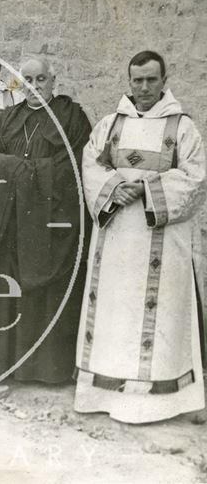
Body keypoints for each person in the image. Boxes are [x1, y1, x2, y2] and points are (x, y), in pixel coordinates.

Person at [75, 51, 206, 423]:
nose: (144, 87)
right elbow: (91, 163)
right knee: (116, 313)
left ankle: (159, 403)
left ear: (165, 80)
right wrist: (114, 186)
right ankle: (103, 395)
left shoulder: (182, 128)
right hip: (116, 238)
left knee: (160, 318)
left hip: (161, 243)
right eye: (137, 80)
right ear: (129, 81)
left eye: (151, 80)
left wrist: (146, 191)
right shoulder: (110, 124)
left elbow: (195, 178)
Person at [0, 57, 91, 384]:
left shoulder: (71, 118)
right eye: (27, 80)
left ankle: (41, 369)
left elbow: (72, 170)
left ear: (53, 81)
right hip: (7, 222)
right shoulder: (7, 118)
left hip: (48, 223)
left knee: (42, 296)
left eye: (41, 79)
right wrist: (24, 172)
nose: (34, 87)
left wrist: (19, 172)